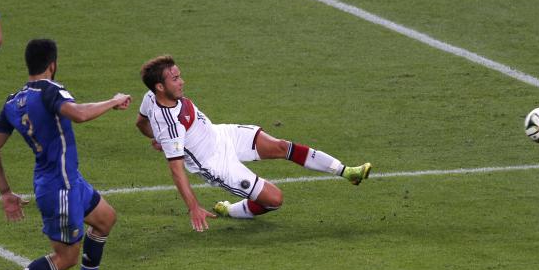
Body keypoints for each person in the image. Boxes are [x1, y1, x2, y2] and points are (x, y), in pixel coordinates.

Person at [0, 39, 131, 270]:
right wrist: (113, 101)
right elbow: (80, 114)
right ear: (53, 64)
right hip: (61, 189)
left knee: (105, 219)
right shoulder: (50, 91)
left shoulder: (13, 101)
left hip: (66, 180)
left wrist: (5, 193)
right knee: (66, 258)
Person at [135, 55, 372, 232]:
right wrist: (193, 207)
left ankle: (346, 171)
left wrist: (159, 138)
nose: (182, 82)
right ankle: (230, 209)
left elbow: (141, 123)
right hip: (215, 163)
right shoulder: (171, 125)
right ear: (160, 86)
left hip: (222, 134)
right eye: (175, 79)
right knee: (274, 200)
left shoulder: (150, 97)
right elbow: (176, 170)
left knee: (281, 146)